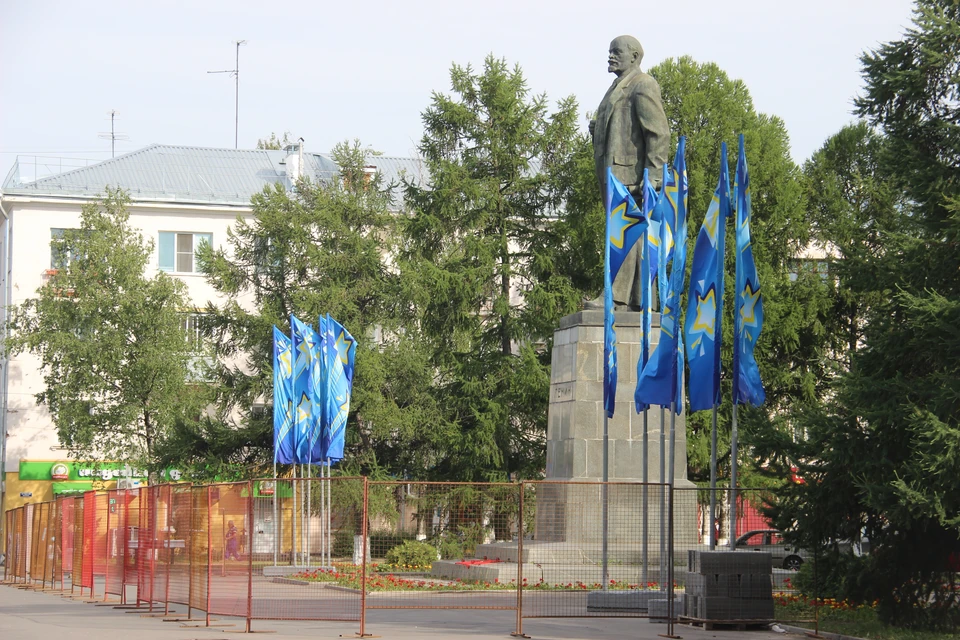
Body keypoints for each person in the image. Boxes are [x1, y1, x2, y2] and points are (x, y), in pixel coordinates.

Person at [585, 35, 670, 311]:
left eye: (616, 52)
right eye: (610, 51)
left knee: (626, 234)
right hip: (613, 175)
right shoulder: (615, 87)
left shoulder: (643, 84)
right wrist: (598, 129)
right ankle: (636, 299)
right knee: (627, 235)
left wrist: (654, 175)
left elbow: (659, 133)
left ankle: (615, 297)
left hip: (631, 177)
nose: (610, 56)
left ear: (634, 57)